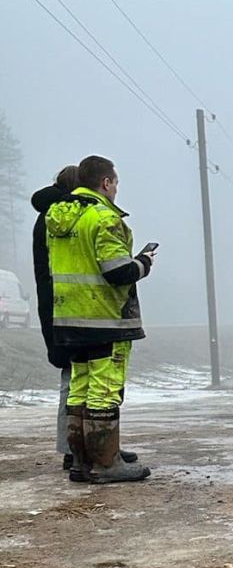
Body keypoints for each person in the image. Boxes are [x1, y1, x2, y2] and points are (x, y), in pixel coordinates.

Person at [46, 155, 156, 483]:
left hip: (68, 318)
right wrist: (143, 263)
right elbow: (117, 271)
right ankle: (107, 464)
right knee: (105, 390)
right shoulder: (103, 217)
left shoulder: (59, 217)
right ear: (106, 183)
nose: (117, 189)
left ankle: (81, 462)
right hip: (105, 318)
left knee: (79, 388)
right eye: (116, 182)